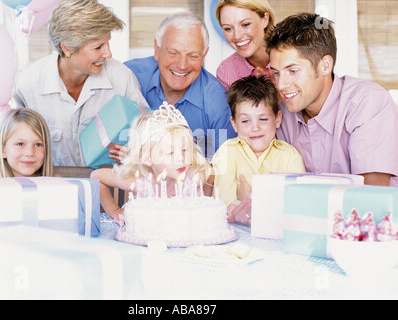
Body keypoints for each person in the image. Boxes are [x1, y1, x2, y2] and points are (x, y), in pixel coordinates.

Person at [265, 13, 398, 186]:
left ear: (325, 66)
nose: (281, 85)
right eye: (276, 72)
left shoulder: (368, 103)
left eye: (293, 71)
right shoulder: (282, 116)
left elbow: (371, 199)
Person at [13, 0, 148, 167]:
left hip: (109, 186)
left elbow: (150, 135)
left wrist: (136, 154)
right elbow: (14, 147)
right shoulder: (28, 83)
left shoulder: (121, 77)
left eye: (108, 43)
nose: (108, 53)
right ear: (68, 48)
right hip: (53, 186)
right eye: (98, 47)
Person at [124, 12, 236, 160]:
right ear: (157, 50)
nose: (182, 65)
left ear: (204, 56)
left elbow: (223, 171)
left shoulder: (219, 103)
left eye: (193, 55)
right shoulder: (129, 76)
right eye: (173, 53)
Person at [90, 103, 213, 219]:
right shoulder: (141, 183)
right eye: (170, 152)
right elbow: (96, 176)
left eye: (185, 149)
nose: (181, 158)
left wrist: (204, 200)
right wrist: (114, 211)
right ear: (147, 158)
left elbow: (210, 174)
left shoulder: (193, 179)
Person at [212, 76, 305, 225]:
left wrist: (250, 199)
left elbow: (296, 206)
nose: (255, 128)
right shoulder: (227, 152)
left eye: (263, 119)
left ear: (277, 119)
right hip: (237, 235)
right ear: (234, 124)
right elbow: (223, 206)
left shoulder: (290, 156)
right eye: (245, 121)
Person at [215, 0, 275, 88]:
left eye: (245, 24)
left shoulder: (293, 57)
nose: (237, 36)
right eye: (228, 28)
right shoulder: (225, 71)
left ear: (265, 20)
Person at [0, 108, 53, 178]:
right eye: (20, 144)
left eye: (38, 145)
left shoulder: (60, 186)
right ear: (2, 150)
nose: (30, 153)